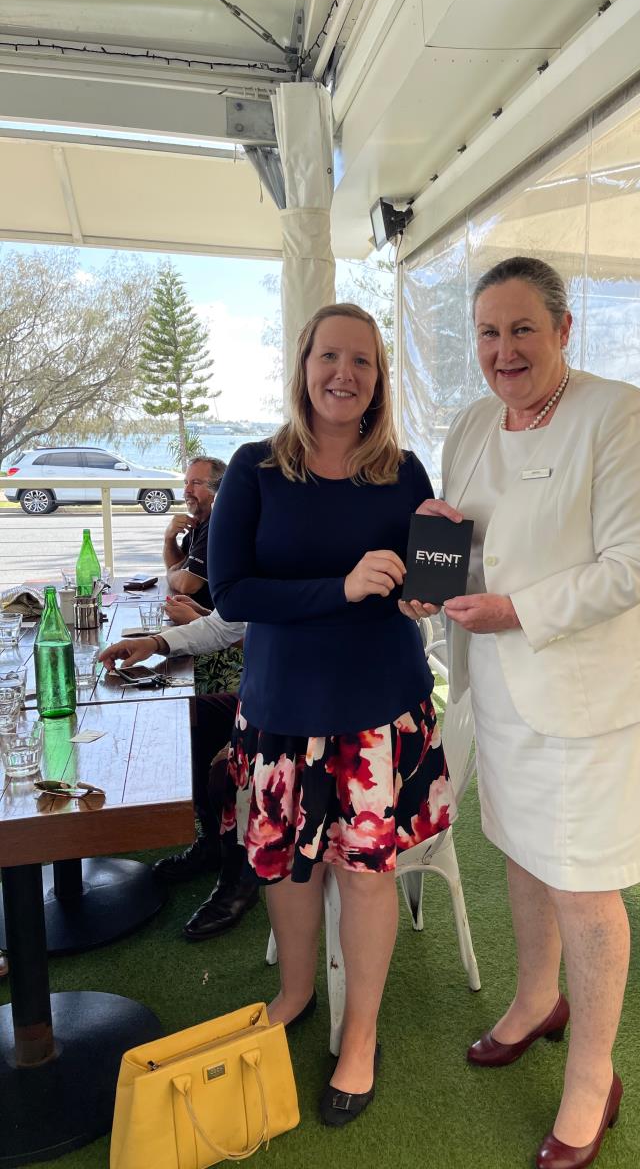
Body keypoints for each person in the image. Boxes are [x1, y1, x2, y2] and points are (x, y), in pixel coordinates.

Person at [400, 257, 640, 1169]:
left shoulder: (618, 414)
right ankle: (535, 1000)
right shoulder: (472, 423)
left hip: (595, 701)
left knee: (582, 883)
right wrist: (433, 575)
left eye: (523, 329)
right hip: (502, 688)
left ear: (564, 330)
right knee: (521, 852)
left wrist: (517, 610)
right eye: (488, 332)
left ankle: (593, 1077)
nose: (504, 350)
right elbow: (470, 547)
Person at [207, 302, 451, 1128]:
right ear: (303, 365)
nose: (345, 374)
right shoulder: (254, 468)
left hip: (378, 711)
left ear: (379, 379)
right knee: (289, 866)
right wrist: (340, 588)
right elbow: (232, 592)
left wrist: (424, 596)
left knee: (365, 874)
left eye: (363, 361)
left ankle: (362, 1034)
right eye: (329, 357)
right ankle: (296, 992)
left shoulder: (405, 472)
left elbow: (427, 586)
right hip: (282, 708)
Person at [99, 609, 257, 939]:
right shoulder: (263, 581)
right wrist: (155, 642)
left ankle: (240, 880)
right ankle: (212, 844)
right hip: (262, 699)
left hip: (318, 717)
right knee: (186, 718)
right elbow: (225, 624)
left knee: (227, 771)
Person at [163, 457, 227, 610]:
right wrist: (169, 538)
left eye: (196, 483)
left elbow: (187, 584)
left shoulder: (218, 525)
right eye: (186, 482)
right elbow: (178, 566)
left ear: (218, 489)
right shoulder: (199, 523)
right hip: (199, 614)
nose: (187, 490)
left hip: (217, 620)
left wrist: (170, 575)